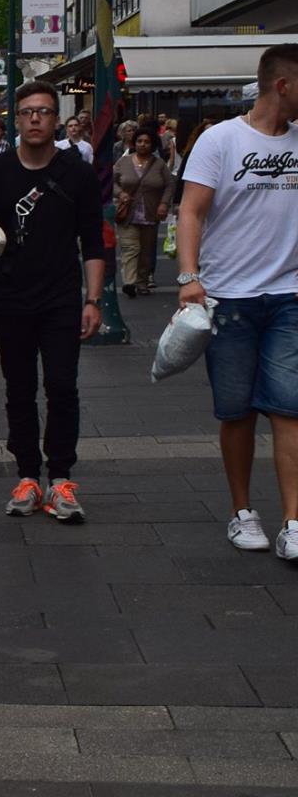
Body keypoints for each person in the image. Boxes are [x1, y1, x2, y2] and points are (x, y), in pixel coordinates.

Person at [175, 44, 298, 559]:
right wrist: (189, 277)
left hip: (289, 295)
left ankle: (293, 521)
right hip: (228, 298)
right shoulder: (220, 140)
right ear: (283, 86)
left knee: (290, 407)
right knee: (237, 411)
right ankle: (242, 511)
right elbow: (191, 211)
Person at [0, 80, 106, 524]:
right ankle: (27, 475)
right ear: (16, 120)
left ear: (56, 119)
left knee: (62, 386)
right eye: (27, 112)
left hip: (62, 298)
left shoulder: (77, 173)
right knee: (19, 388)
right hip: (11, 298)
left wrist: (93, 299)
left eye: (43, 111)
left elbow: (93, 241)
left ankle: (60, 478)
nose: (35, 119)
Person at [114, 128, 170, 296]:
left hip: (150, 213)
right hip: (128, 213)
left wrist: (164, 203)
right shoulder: (123, 162)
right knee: (130, 248)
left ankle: (142, 282)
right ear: (134, 143)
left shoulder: (159, 164)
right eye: (139, 141)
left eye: (146, 142)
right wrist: (120, 193)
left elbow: (170, 185)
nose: (143, 144)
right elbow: (111, 181)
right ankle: (129, 282)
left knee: (146, 251)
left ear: (152, 145)